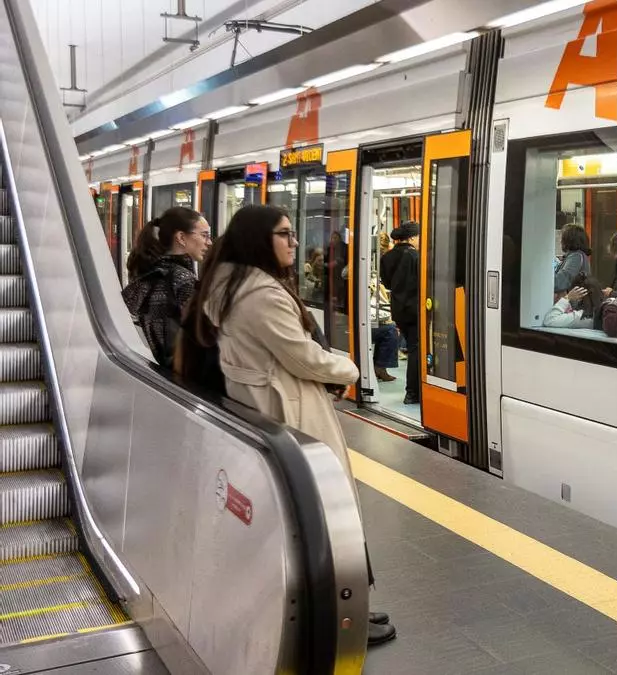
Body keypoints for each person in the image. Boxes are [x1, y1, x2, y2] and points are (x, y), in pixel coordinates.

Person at [190, 204, 396, 645]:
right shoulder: (260, 294)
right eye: (285, 234)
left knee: (295, 521)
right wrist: (349, 368)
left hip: (266, 406)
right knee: (321, 516)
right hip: (290, 409)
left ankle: (335, 611)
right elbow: (302, 356)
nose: (295, 241)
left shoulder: (227, 284)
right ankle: (336, 619)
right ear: (259, 240)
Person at [122, 207, 211, 369]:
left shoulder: (151, 273)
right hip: (179, 370)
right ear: (181, 238)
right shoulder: (183, 280)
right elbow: (201, 334)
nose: (209, 242)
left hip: (154, 368)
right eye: (204, 235)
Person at [385, 221, 421, 405]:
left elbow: (387, 283)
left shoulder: (387, 257)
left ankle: (414, 391)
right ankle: (412, 393)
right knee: (416, 349)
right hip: (414, 310)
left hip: (398, 310)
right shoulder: (415, 256)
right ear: (412, 238)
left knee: (413, 346)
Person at [554, 224, 592, 294]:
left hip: (573, 300)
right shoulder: (577, 255)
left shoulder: (576, 256)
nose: (560, 241)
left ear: (569, 240)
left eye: (562, 238)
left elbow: (561, 282)